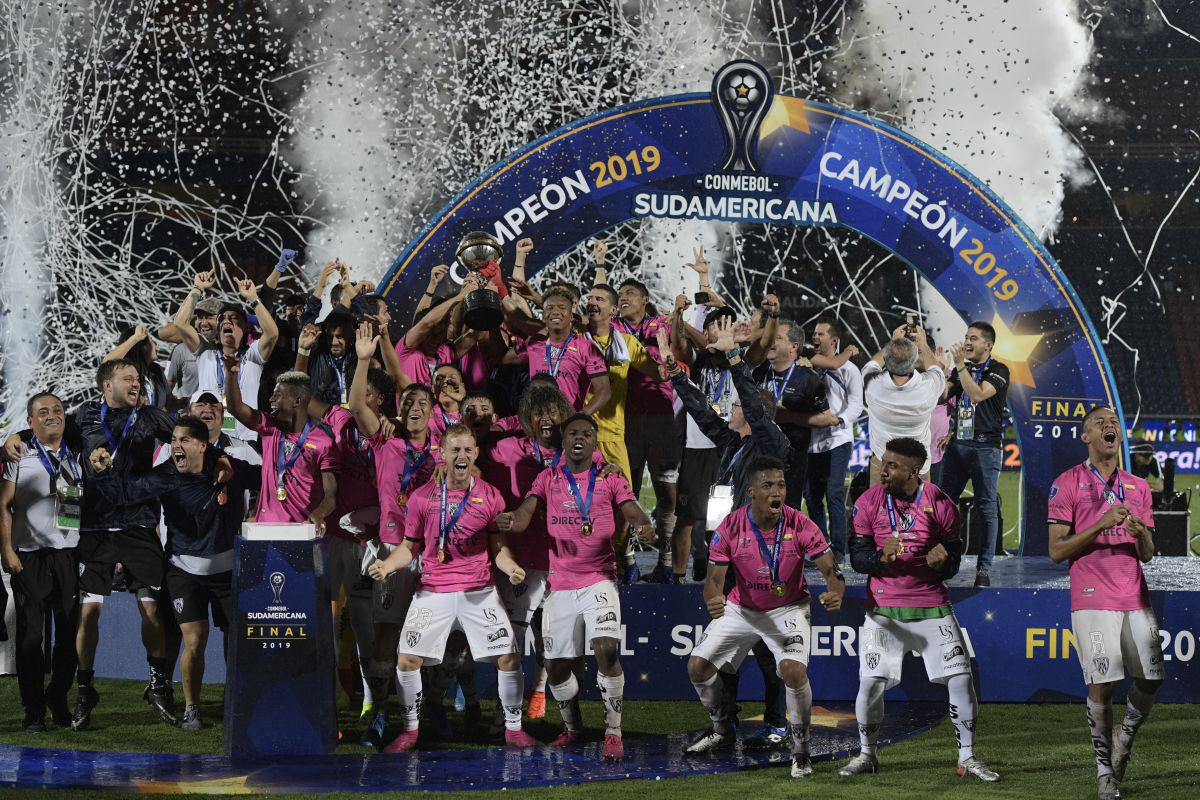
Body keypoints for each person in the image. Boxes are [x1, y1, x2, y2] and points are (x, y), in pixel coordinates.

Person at [659, 320, 796, 748]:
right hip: (730, 558)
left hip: (767, 562)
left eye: (738, 405)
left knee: (770, 651)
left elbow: (754, 407)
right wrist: (678, 378)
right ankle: (726, 724)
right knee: (728, 650)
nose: (731, 408)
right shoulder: (733, 443)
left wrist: (735, 357)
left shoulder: (769, 443)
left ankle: (776, 723)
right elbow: (701, 411)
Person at [365, 425, 538, 751]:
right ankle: (410, 731)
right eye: (454, 450)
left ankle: (513, 730)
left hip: (478, 591)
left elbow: (497, 548)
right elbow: (410, 546)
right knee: (406, 661)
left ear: (475, 454)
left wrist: (512, 567)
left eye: (468, 450)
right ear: (441, 454)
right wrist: (388, 565)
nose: (462, 456)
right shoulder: (421, 499)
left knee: (510, 658)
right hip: (434, 591)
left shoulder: (490, 496)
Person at [840, 437, 999, 783]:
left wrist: (943, 564)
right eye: (884, 462)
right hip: (883, 610)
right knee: (870, 683)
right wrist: (881, 556)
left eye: (893, 466)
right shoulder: (867, 502)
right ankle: (867, 754)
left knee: (961, 678)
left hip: (932, 606)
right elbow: (857, 559)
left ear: (914, 471)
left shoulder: (941, 504)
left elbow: (953, 561)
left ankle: (967, 757)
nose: (883, 471)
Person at [497, 414, 655, 760]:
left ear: (595, 442)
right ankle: (573, 729)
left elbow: (631, 509)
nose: (579, 438)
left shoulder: (610, 477)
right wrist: (514, 521)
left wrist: (643, 524)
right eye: (572, 434)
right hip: (561, 582)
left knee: (606, 649)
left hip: (599, 577)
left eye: (586, 433)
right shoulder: (548, 477)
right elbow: (526, 512)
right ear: (564, 441)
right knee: (555, 666)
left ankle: (613, 731)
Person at [683, 456, 845, 780]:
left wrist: (835, 590)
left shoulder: (800, 524)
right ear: (753, 491)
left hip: (789, 608)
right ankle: (721, 729)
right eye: (768, 485)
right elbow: (714, 581)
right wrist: (713, 601)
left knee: (792, 671)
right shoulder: (730, 526)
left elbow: (831, 569)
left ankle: (801, 751)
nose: (777, 492)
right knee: (697, 667)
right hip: (742, 608)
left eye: (781, 485)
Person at [90, 415, 255, 732]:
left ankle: (241, 703)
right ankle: (192, 709)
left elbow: (269, 478)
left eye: (185, 440)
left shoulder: (230, 468)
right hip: (183, 570)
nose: (176, 446)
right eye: (174, 440)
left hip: (228, 571)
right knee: (195, 640)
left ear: (203, 445)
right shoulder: (165, 475)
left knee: (239, 641)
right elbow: (126, 493)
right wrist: (103, 473)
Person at [1047, 405, 1163, 800]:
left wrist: (1139, 533)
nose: (1109, 426)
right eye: (1100, 423)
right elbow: (1056, 552)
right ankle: (1105, 773)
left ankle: (1123, 736)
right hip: (1092, 594)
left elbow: (1148, 552)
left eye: (1113, 422)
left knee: (1151, 679)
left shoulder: (1138, 487)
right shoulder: (1067, 484)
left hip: (1134, 594)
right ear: (1086, 437)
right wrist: (1100, 522)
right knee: (1105, 682)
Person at [68, 359, 176, 730]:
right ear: (106, 385)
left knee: (150, 612)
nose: (135, 383)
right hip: (95, 529)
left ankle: (158, 687)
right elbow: (54, 446)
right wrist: (14, 440)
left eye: (137, 379)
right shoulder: (83, 416)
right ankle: (85, 691)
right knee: (88, 614)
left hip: (139, 525)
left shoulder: (150, 416)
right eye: (127, 378)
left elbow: (185, 443)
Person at [0, 392, 81, 732]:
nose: (52, 416)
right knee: (32, 639)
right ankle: (33, 710)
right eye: (43, 412)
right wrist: (7, 550)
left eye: (58, 410)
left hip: (67, 555)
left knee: (67, 636)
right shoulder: (18, 454)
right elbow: (3, 505)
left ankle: (57, 694)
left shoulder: (77, 453)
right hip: (29, 557)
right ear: (30, 421)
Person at [614, 276, 679, 585]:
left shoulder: (658, 325)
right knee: (627, 492)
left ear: (643, 300)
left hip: (660, 419)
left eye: (630, 293)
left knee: (668, 491)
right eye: (621, 294)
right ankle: (627, 561)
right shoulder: (613, 328)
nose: (624, 297)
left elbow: (668, 347)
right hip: (626, 421)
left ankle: (666, 563)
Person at [223, 363, 339, 534]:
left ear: (296, 401)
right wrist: (231, 374)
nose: (270, 400)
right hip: (264, 529)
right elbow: (235, 408)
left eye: (276, 396)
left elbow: (331, 494)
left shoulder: (324, 442)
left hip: (302, 530)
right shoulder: (268, 427)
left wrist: (320, 513)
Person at [939, 321, 1011, 587]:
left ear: (988, 345)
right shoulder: (963, 369)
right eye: (966, 337)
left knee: (986, 509)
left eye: (973, 338)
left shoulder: (999, 370)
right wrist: (936, 369)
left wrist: (959, 367)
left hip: (985, 447)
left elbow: (978, 395)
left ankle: (983, 570)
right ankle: (944, 564)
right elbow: (942, 395)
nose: (967, 342)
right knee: (943, 506)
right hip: (958, 445)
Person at [172, 270, 280, 441]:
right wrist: (197, 288)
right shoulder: (205, 353)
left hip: (246, 441)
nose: (227, 320)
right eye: (223, 318)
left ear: (245, 328)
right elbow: (179, 324)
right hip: (209, 439)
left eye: (235, 319)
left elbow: (272, 333)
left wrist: (253, 298)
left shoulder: (253, 356)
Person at [753, 317, 838, 511]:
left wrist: (787, 416)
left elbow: (826, 418)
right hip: (757, 455)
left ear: (794, 346)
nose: (771, 342)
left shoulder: (808, 379)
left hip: (791, 462)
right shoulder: (758, 371)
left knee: (785, 512)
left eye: (778, 338)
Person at [806, 318, 864, 563]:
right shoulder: (808, 364)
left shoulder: (849, 370)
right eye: (814, 333)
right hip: (812, 440)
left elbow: (856, 404)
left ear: (834, 340)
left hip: (838, 438)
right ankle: (821, 546)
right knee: (811, 496)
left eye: (821, 333)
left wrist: (839, 421)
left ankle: (839, 550)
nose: (815, 337)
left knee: (834, 492)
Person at [508, 286, 611, 414]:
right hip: (536, 420)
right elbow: (503, 358)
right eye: (549, 308)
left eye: (562, 308)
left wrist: (579, 417)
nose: (555, 312)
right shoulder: (534, 342)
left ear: (571, 316)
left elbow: (604, 391)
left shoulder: (587, 347)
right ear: (544, 316)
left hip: (567, 422)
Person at [861, 326, 943, 483]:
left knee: (878, 508)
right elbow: (936, 369)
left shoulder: (872, 384)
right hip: (917, 467)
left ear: (887, 358)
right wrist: (924, 344)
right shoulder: (929, 387)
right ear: (913, 361)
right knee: (919, 508)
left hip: (884, 463)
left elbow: (872, 364)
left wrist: (893, 341)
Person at [164, 298, 220, 402]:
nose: (203, 322)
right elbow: (168, 385)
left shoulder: (233, 349)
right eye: (199, 317)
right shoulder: (181, 350)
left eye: (209, 317)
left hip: (223, 416)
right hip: (190, 415)